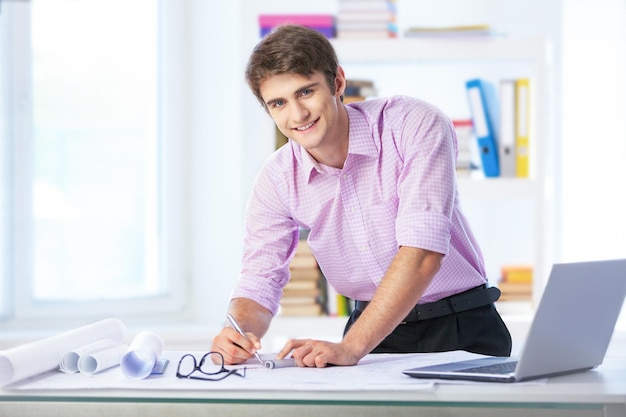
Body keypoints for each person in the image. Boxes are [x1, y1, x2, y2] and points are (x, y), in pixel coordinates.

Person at [211, 24, 512, 368]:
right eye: (279, 103)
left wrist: (351, 346)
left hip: (461, 325)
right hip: (372, 337)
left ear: (338, 83)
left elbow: (423, 252)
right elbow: (260, 277)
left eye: (306, 92)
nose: (297, 115)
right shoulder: (276, 179)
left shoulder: (413, 124)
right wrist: (237, 332)